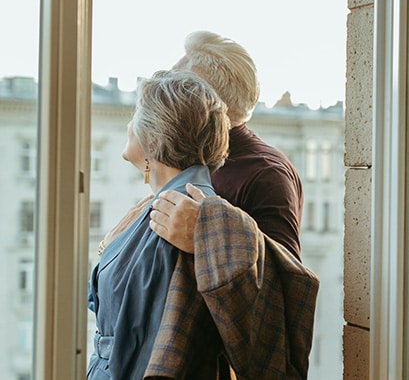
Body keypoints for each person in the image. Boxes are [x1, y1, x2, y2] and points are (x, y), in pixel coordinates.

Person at [87, 70, 319, 379]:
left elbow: (149, 347)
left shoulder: (180, 218)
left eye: (135, 116)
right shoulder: (166, 207)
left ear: (153, 141)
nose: (128, 126)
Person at [151, 31, 304, 261]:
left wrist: (206, 236)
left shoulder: (267, 174)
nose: (164, 99)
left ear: (205, 101)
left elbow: (287, 284)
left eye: (176, 88)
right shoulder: (191, 158)